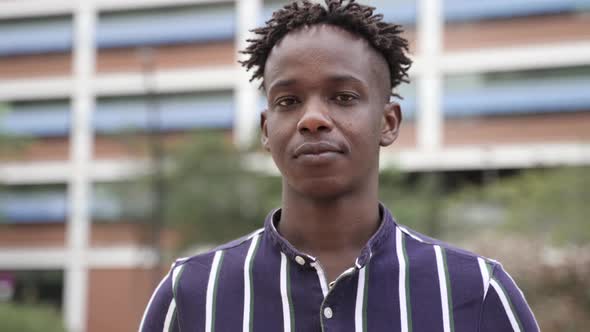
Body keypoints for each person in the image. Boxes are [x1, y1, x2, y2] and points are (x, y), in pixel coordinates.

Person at [139, 1, 539, 331]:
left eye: (343, 97)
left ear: (388, 122)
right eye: (288, 101)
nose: (312, 118)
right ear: (266, 129)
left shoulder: (476, 291)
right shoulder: (191, 293)